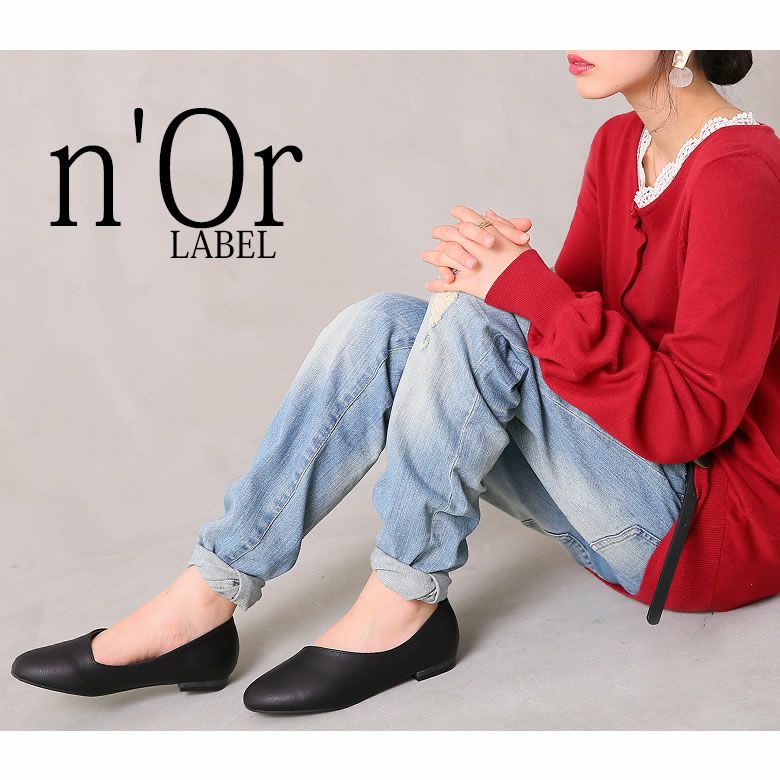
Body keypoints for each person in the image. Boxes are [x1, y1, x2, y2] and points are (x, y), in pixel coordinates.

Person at [12, 50, 780, 715]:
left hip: (705, 534)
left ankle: (406, 601)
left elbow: (693, 418)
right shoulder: (619, 144)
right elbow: (564, 331)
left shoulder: (739, 171)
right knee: (388, 323)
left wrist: (513, 299)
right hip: (622, 492)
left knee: (477, 324)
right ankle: (202, 603)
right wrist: (487, 286)